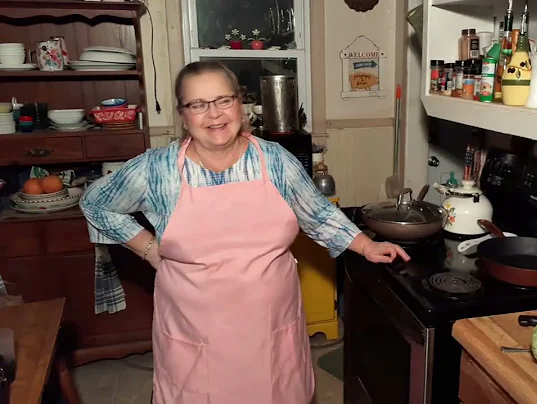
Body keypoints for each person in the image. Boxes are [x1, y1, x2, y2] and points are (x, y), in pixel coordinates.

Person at [80, 60, 410, 404]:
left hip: (270, 324)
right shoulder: (156, 169)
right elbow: (95, 203)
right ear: (183, 114)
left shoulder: (275, 160)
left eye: (224, 100)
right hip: (194, 329)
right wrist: (147, 247)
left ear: (241, 103)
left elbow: (318, 213)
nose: (215, 115)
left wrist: (364, 245)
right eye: (198, 105)